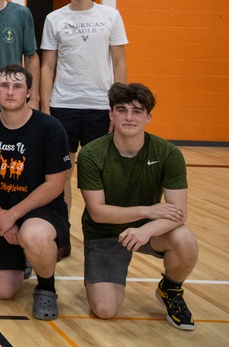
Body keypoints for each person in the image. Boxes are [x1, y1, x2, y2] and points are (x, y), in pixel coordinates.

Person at [78, 82, 198, 331]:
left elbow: (179, 213)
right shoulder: (92, 153)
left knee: (184, 238)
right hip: (105, 233)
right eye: (122, 110)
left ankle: (171, 290)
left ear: (148, 117)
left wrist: (146, 229)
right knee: (104, 310)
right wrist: (148, 211)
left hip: (148, 233)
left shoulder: (168, 153)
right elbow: (98, 212)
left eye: (137, 111)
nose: (129, 117)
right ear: (111, 115)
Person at [40, 0, 128, 256]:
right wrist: (45, 106)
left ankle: (99, 237)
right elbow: (47, 65)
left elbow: (119, 63)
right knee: (62, 174)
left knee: (99, 174)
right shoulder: (54, 19)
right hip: (63, 105)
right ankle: (61, 235)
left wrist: (119, 107)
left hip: (100, 107)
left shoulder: (110, 16)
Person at [0, 64, 71, 320]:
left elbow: (55, 185)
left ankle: (46, 288)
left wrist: (12, 215)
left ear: (28, 92)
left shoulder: (50, 128)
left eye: (17, 86)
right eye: (4, 86)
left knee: (34, 235)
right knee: (3, 291)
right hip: (0, 213)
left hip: (42, 211)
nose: (10, 92)